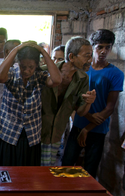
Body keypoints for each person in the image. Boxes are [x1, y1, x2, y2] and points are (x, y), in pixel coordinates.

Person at [62, 29, 124, 178]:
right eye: (100, 47)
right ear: (93, 47)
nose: (103, 51)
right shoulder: (82, 69)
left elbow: (109, 108)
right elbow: (73, 100)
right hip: (78, 124)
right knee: (66, 165)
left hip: (98, 129)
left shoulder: (116, 74)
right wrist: (86, 120)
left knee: (90, 169)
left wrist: (88, 128)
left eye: (108, 47)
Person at [0, 41, 62, 166]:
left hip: (31, 135)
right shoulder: (11, 74)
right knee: (7, 173)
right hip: (9, 133)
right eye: (23, 66)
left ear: (37, 65)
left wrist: (42, 52)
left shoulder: (39, 76)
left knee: (28, 176)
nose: (26, 70)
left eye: (31, 67)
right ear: (18, 63)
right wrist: (17, 49)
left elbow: (57, 80)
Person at [41, 37, 96, 166]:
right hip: (37, 131)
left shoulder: (82, 79)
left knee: (48, 169)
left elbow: (81, 112)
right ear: (71, 56)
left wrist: (89, 102)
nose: (89, 60)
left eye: (91, 56)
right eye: (86, 56)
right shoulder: (46, 71)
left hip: (56, 133)